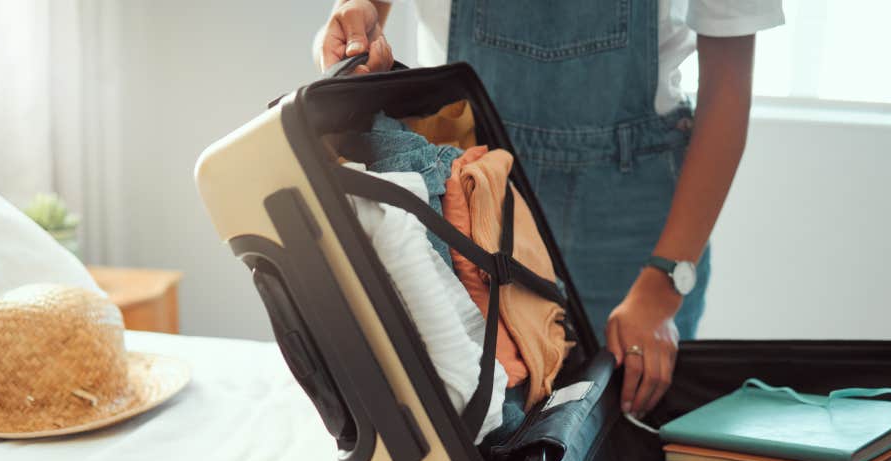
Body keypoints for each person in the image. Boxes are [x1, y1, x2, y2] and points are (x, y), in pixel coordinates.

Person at [316, 0, 782, 416]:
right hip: (466, 191)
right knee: (469, 435)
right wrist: (356, 18)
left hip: (630, 228)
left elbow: (728, 87)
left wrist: (663, 284)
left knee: (615, 444)